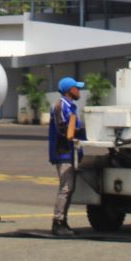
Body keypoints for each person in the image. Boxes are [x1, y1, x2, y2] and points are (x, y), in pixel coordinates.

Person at [48, 76, 87, 236]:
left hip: (71, 152)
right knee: (66, 188)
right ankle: (58, 223)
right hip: (63, 152)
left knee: (69, 188)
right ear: (70, 90)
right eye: (77, 88)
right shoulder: (61, 106)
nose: (79, 90)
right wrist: (83, 132)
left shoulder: (71, 106)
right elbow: (64, 130)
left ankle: (63, 221)